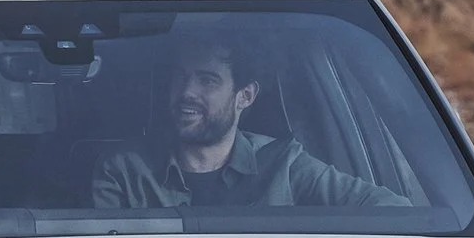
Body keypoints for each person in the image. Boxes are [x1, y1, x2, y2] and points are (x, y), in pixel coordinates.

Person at [91, 34, 405, 210]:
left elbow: (394, 212)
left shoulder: (285, 165)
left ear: (245, 96)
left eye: (207, 81)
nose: (186, 92)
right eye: (179, 77)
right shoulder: (125, 170)